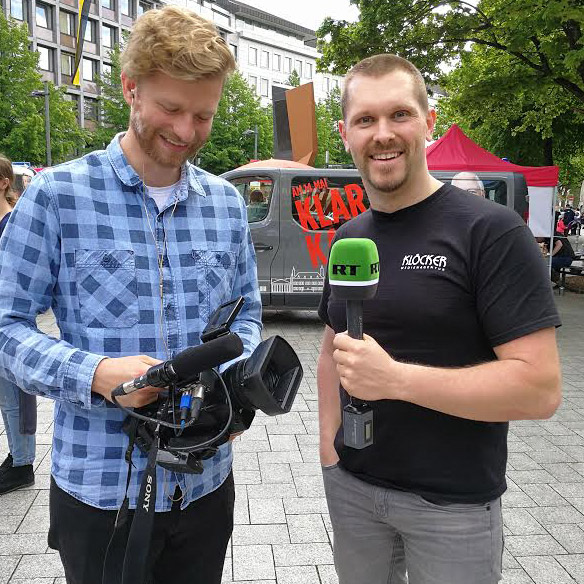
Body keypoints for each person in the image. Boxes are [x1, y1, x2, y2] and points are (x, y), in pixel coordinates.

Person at [0, 7, 261, 584]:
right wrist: (96, 373)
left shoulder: (226, 204)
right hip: (100, 489)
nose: (187, 132)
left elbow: (247, 315)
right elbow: (6, 326)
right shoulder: (55, 197)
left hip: (205, 482)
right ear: (130, 89)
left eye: (203, 116)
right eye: (171, 109)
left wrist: (235, 391)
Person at [317, 54, 562, 584]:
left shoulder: (492, 233)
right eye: (365, 120)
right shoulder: (347, 237)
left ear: (429, 122)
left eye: (399, 115)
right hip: (354, 493)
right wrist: (328, 450)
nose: (383, 134)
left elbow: (540, 390)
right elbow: (331, 347)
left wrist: (397, 380)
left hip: (453, 509)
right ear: (345, 133)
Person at [0, 154, 36, 495]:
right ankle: (16, 456)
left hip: (10, 325)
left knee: (15, 399)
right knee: (5, 399)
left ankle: (23, 463)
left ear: (3, 182)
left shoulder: (12, 223)